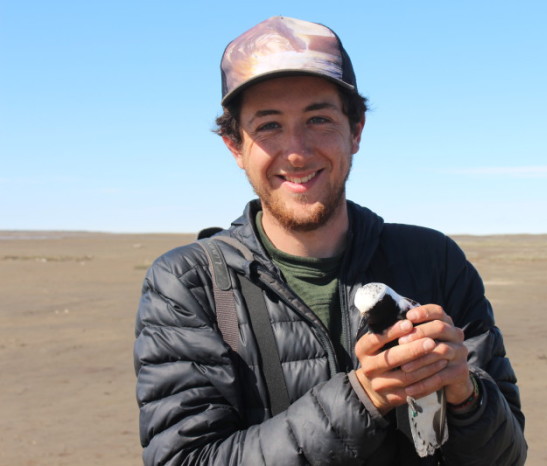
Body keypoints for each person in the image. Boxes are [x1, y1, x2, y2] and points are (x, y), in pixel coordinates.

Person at [134, 16, 526, 465]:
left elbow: (506, 456)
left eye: (319, 119)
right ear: (234, 146)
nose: (297, 151)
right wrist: (363, 398)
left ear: (355, 131)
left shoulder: (433, 260)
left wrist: (466, 395)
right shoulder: (189, 283)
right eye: (268, 126)